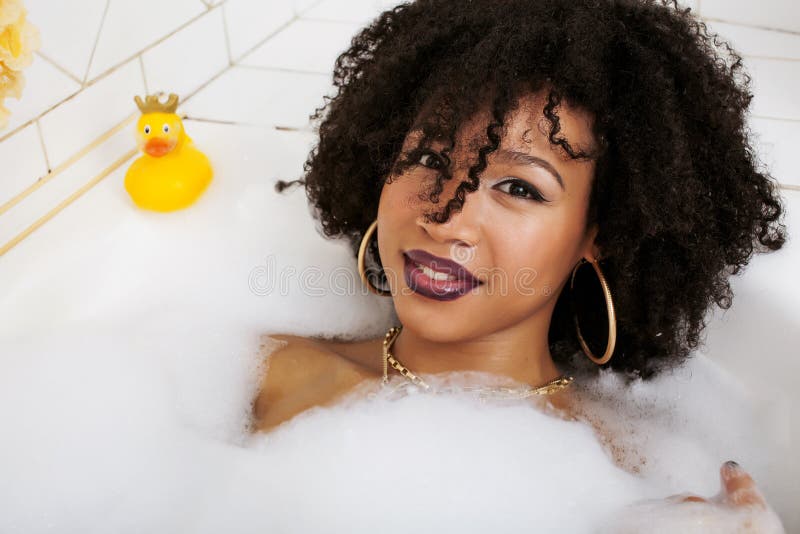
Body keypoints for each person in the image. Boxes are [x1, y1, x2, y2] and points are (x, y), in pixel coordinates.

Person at [255, 0, 787, 528]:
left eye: (518, 187)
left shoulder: (632, 479)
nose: (446, 218)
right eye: (429, 159)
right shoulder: (259, 370)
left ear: (598, 236)